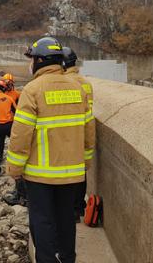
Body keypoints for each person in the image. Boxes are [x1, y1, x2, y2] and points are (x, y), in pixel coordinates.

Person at [6, 37, 95, 263]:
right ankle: (67, 258)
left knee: (42, 221)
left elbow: (21, 135)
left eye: (32, 59)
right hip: (71, 173)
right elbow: (88, 131)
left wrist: (15, 168)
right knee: (66, 220)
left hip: (40, 175)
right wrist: (85, 163)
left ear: (39, 61)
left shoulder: (32, 90)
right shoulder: (79, 88)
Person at [62, 47, 96, 220]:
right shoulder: (85, 83)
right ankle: (78, 209)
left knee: (66, 176)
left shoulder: (63, 82)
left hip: (66, 132)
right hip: (82, 131)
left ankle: (69, 210)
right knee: (80, 173)